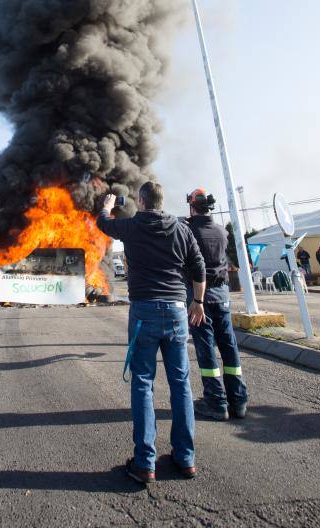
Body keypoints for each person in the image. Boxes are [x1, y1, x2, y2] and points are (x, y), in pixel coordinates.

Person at [97, 182, 206, 484]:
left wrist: (106, 205)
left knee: (143, 382)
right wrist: (197, 302)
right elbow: (199, 267)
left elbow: (103, 223)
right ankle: (185, 458)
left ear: (142, 201)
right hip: (176, 311)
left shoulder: (132, 226)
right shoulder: (182, 228)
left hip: (144, 311)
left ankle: (145, 463)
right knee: (181, 384)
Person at [184, 189, 249, 422]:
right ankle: (238, 400)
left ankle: (216, 402)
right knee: (229, 345)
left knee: (206, 349)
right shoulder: (222, 230)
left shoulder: (188, 230)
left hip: (198, 298)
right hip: (222, 296)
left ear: (192, 206)